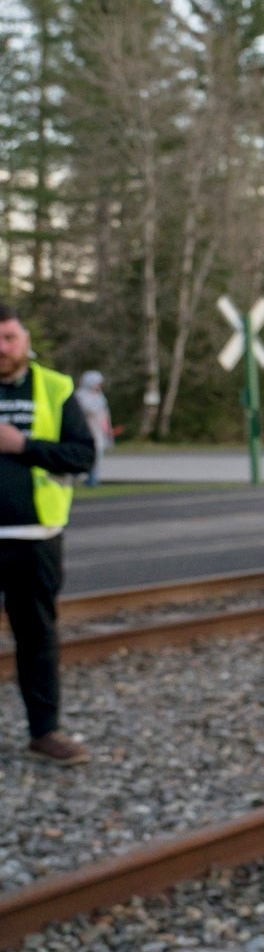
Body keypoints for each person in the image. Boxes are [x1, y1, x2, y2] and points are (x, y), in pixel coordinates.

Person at [0, 305, 98, 766]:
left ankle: (45, 731)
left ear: (24, 338)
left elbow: (81, 455)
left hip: (33, 536)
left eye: (9, 337)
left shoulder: (55, 388)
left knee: (36, 636)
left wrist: (23, 446)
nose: (2, 348)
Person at [74, 372, 113, 489]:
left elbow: (104, 413)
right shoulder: (80, 395)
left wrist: (107, 428)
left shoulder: (100, 396)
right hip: (83, 431)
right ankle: (74, 477)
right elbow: (87, 410)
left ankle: (92, 480)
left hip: (98, 432)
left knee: (96, 456)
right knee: (81, 455)